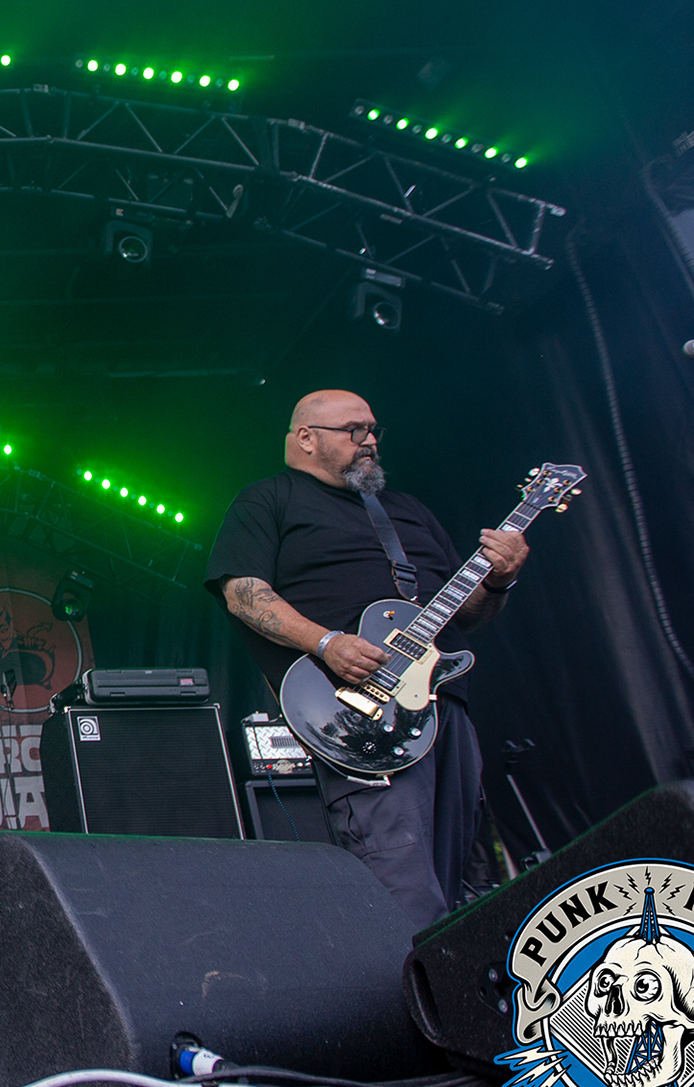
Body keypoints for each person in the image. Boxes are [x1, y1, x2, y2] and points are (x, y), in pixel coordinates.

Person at [205, 390, 527, 925]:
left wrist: (500, 580)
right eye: (354, 430)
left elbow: (467, 614)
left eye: (374, 429)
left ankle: (443, 970)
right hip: (359, 707)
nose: (371, 440)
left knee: (455, 874)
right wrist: (326, 642)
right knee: (400, 879)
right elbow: (242, 593)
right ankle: (404, 978)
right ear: (307, 438)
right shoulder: (268, 500)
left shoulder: (407, 510)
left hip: (444, 702)